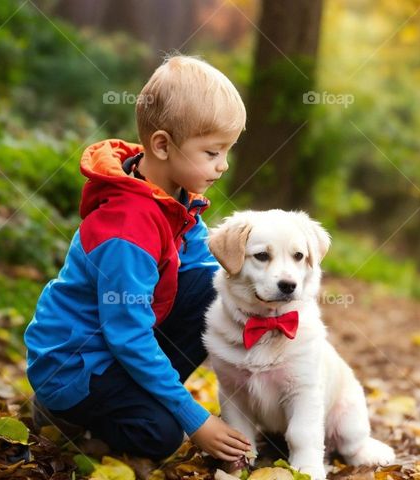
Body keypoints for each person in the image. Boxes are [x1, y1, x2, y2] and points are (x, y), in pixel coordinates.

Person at [24, 54, 251, 461]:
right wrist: (193, 417)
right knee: (162, 435)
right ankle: (63, 416)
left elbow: (207, 269)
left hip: (116, 343)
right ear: (162, 145)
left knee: (218, 292)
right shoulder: (126, 228)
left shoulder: (175, 200)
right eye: (213, 152)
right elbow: (126, 334)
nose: (224, 165)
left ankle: (145, 401)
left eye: (226, 151)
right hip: (76, 366)